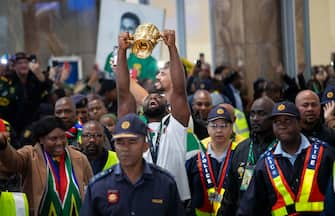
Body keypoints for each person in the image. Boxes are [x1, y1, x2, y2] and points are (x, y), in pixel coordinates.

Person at [237, 101, 335, 215]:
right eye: (276, 122)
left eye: (287, 120)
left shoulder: (325, 154)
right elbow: (249, 208)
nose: (282, 125)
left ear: (299, 123)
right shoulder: (265, 163)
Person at [80, 113, 185, 216]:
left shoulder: (165, 183)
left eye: (132, 141)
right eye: (120, 142)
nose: (125, 148)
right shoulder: (98, 186)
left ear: (145, 145)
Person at [0, 116, 93, 215]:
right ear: (41, 140)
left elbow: (92, 190)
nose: (59, 142)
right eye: (53, 139)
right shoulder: (31, 156)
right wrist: (3, 146)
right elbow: (13, 162)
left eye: (63, 137)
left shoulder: (79, 158)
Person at [219, 96, 275, 215]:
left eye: (261, 114)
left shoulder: (281, 147)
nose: (255, 119)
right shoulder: (241, 148)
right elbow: (230, 195)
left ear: (273, 117)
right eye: (252, 114)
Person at [186, 106, 238, 215]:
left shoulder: (239, 153)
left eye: (223, 126)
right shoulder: (197, 152)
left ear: (231, 127)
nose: (219, 130)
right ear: (207, 127)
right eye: (214, 126)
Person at [0, 52, 52, 136]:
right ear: (14, 66)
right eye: (20, 63)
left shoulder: (34, 78)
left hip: (33, 123)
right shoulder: (9, 81)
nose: (23, 65)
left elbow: (48, 87)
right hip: (13, 124)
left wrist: (38, 73)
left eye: (26, 63)